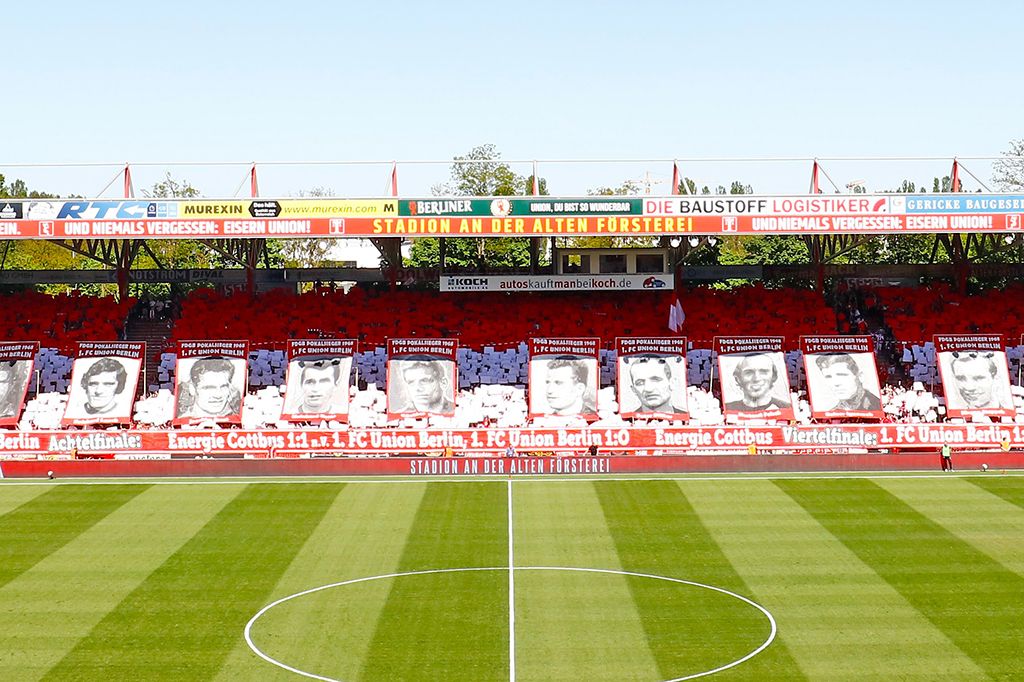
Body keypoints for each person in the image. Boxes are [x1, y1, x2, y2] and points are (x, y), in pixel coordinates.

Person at [176, 357, 242, 419]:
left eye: (223, 387)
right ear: (192, 389)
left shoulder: (241, 419)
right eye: (209, 388)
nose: (218, 395)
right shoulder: (180, 422)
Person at [724, 352, 791, 412]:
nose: (756, 378)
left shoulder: (786, 408)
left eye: (763, 372)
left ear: (774, 377)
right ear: (738, 379)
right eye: (749, 372)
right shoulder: (728, 409)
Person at [814, 353, 881, 411]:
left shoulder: (876, 406)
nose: (836, 383)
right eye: (828, 377)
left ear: (860, 376)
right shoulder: (833, 412)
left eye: (842, 375)